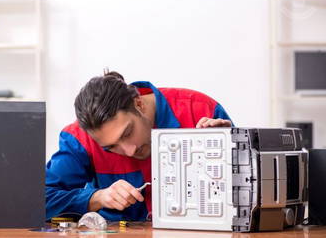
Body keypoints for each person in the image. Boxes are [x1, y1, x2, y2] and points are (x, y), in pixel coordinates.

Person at [45, 71, 233, 221]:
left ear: (138, 103)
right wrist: (98, 198)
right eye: (111, 147)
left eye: (127, 133)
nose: (129, 151)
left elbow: (247, 197)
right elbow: (41, 200)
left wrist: (233, 148)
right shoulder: (79, 139)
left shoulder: (200, 110)